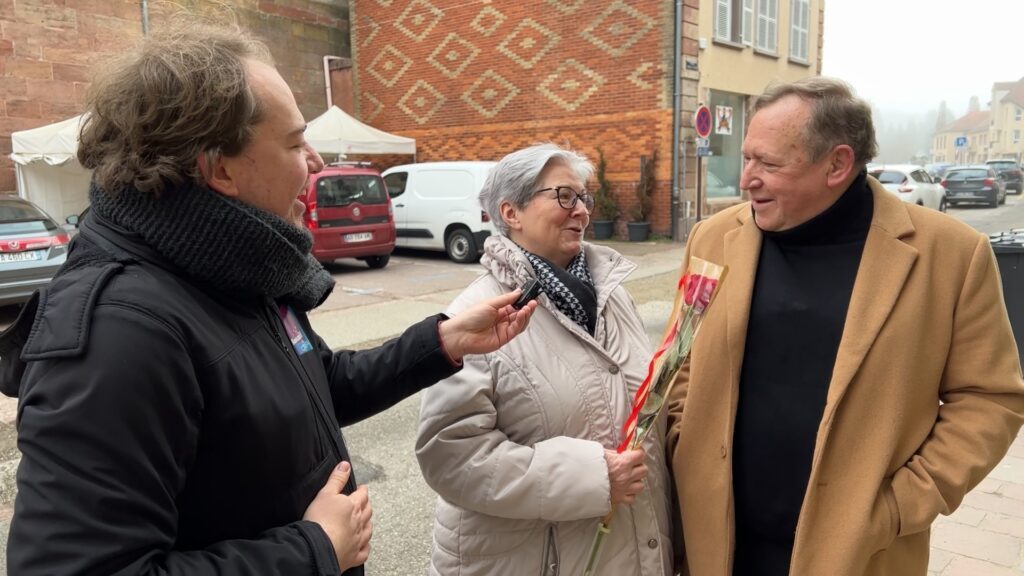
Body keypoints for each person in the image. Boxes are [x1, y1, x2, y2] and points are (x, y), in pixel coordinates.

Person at [0, 20, 536, 576]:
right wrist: (314, 550)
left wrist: (442, 341)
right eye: (292, 141)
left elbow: (311, 388)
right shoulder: (120, 331)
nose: (316, 162)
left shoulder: (231, 267)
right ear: (219, 168)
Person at [666, 76, 1024, 576]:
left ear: (837, 164)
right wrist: (685, 440)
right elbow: (681, 358)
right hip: (718, 543)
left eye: (768, 163)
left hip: (859, 552)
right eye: (747, 158)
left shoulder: (951, 255)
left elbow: (991, 399)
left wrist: (902, 504)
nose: (746, 179)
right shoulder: (712, 238)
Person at [416, 143, 673, 576]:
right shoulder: (475, 315)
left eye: (583, 198)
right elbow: (450, 455)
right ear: (511, 213)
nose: (582, 211)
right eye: (564, 197)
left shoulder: (615, 297)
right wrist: (591, 478)